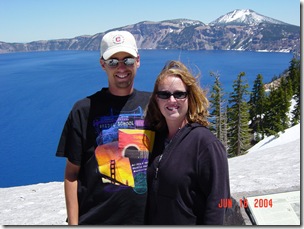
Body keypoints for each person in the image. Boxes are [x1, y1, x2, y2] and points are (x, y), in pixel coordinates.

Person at [56, 30, 155, 225]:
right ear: (103, 64)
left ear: (138, 61)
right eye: (113, 61)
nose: (121, 67)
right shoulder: (83, 110)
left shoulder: (153, 105)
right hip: (95, 220)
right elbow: (71, 174)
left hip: (144, 220)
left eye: (127, 60)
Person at [144, 60, 231, 225]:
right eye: (164, 94)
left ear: (189, 97)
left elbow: (219, 204)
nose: (171, 100)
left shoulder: (205, 144)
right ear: (157, 99)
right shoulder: (156, 138)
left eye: (179, 94)